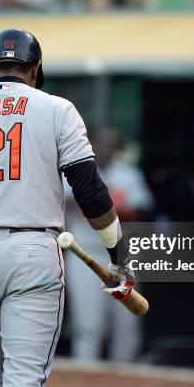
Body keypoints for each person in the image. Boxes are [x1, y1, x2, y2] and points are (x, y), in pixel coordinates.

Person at [0, 29, 135, 387]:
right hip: (33, 252)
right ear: (36, 68)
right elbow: (91, 192)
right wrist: (119, 256)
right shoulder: (58, 109)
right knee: (25, 379)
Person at [65, 128, 154, 362]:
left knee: (127, 327)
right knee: (89, 326)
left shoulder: (128, 175)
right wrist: (98, 204)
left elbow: (140, 209)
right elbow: (63, 201)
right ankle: (85, 377)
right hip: (86, 255)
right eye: (100, 142)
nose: (104, 147)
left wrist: (103, 208)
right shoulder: (74, 171)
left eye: (109, 143)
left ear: (116, 147)